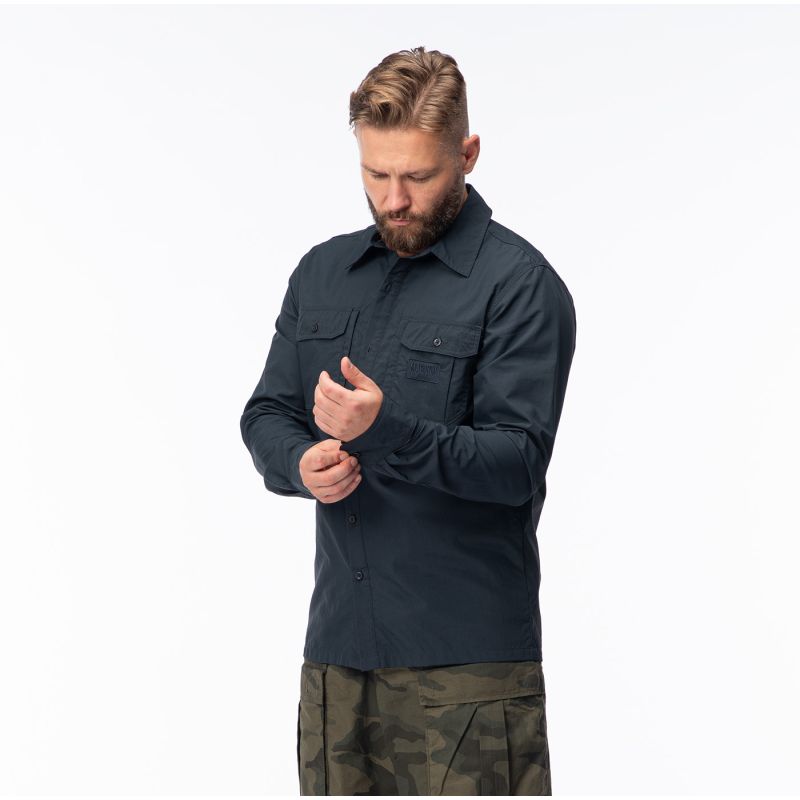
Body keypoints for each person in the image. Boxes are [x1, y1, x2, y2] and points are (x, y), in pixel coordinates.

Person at [240, 45, 576, 796]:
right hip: (339, 659)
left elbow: (517, 463)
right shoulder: (321, 273)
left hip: (468, 674)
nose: (394, 200)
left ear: (467, 155)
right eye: (375, 174)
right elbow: (268, 412)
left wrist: (382, 431)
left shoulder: (519, 285)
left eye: (418, 177)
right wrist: (299, 463)